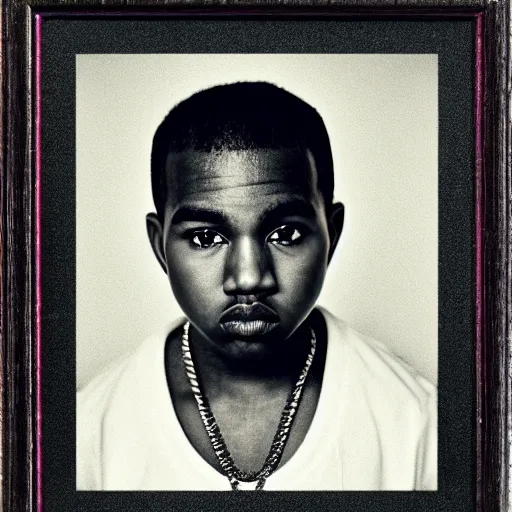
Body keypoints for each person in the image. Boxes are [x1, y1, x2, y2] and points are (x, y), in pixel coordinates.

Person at [77, 82, 437, 491]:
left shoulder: (418, 425)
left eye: (285, 233)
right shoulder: (87, 434)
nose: (248, 279)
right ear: (160, 246)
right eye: (205, 238)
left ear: (330, 236)